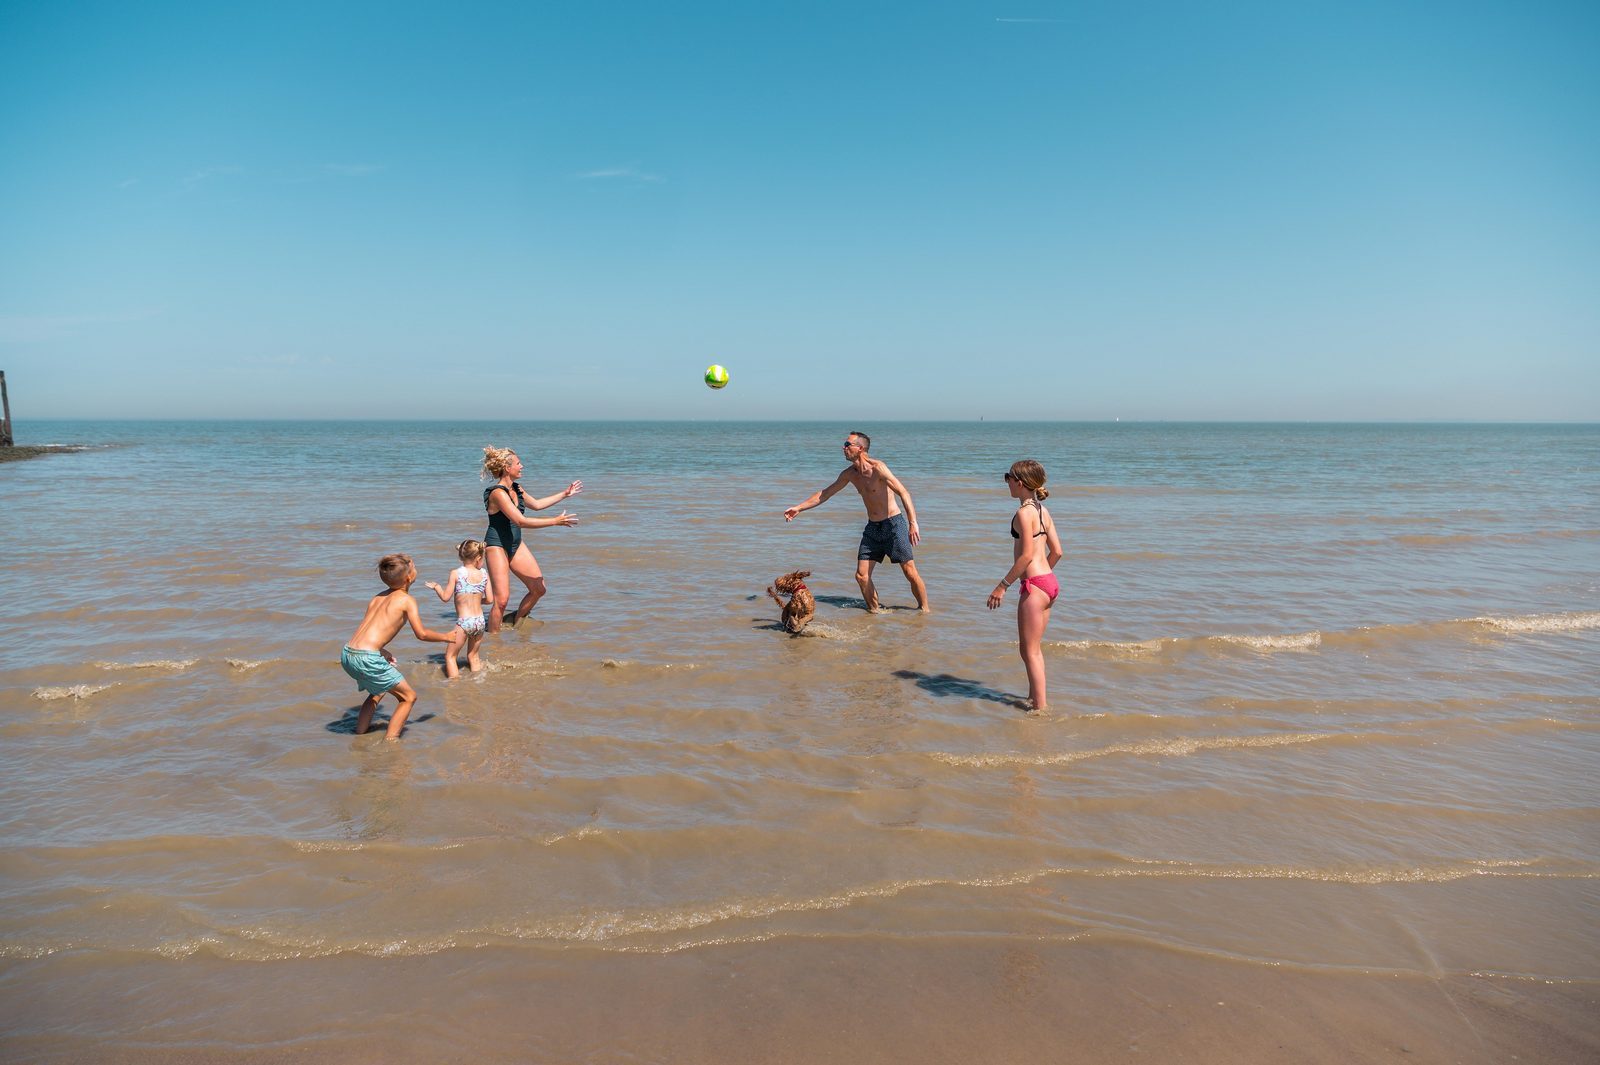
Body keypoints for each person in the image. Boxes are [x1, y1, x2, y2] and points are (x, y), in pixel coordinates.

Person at [784, 430, 929, 613]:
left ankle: (925, 611)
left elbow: (904, 492)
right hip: (873, 528)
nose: (843, 448)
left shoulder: (878, 468)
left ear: (860, 448)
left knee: (909, 571)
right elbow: (825, 494)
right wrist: (799, 507)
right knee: (861, 576)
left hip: (894, 524)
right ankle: (876, 612)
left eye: (847, 445)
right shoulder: (850, 474)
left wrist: (913, 523)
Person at [340, 553, 456, 739]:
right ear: (409, 577)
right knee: (409, 697)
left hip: (348, 653)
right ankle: (391, 743)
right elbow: (422, 634)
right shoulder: (407, 600)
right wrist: (446, 636)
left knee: (377, 691)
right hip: (367, 657)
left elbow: (368, 630)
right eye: (415, 567)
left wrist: (381, 651)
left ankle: (359, 734)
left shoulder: (377, 598)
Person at [986, 460, 1064, 713]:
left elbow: (1026, 556)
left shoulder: (1023, 513)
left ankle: (1039, 709)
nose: (1006, 482)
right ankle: (1033, 698)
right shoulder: (1043, 511)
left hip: (1034, 586)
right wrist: (1044, 579)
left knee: (1028, 651)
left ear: (1019, 483)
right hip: (1049, 584)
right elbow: (1058, 552)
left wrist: (1002, 586)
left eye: (1008, 478)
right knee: (1034, 649)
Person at [480, 445, 581, 633]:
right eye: (518, 463)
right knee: (501, 600)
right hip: (497, 546)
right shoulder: (498, 493)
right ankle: (494, 643)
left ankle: (517, 624)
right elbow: (520, 521)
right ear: (507, 468)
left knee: (539, 589)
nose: (522, 466)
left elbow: (536, 504)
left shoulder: (516, 488)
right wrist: (555, 522)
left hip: (516, 544)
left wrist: (564, 494)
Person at [423, 539, 492, 678]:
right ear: (478, 558)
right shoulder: (484, 574)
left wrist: (437, 587)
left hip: (464, 622)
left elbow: (445, 598)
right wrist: (477, 600)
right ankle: (479, 684)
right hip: (479, 621)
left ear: (461, 556)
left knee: (450, 656)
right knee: (473, 656)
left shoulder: (456, 573)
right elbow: (490, 600)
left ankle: (454, 689)